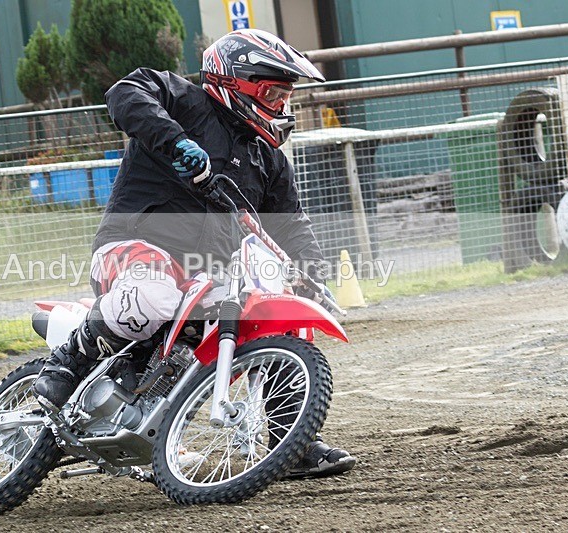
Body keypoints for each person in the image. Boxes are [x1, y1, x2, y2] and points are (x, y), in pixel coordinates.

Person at [34, 29, 356, 478]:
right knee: (154, 295)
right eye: (272, 93)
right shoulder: (183, 100)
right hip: (133, 246)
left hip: (209, 277)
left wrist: (315, 277)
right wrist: (174, 140)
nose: (281, 106)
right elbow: (124, 92)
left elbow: (292, 225)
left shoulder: (268, 159)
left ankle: (292, 444)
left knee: (287, 319)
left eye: (286, 96)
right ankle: (68, 363)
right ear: (237, 82)